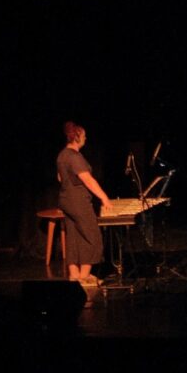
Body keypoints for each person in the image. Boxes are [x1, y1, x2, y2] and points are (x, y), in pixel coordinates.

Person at [56, 121, 113, 286]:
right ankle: (84, 276)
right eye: (84, 136)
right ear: (77, 137)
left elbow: (59, 178)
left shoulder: (62, 155)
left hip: (66, 200)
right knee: (92, 236)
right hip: (78, 201)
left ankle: (74, 275)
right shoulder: (75, 157)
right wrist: (104, 197)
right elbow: (87, 180)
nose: (86, 139)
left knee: (74, 237)